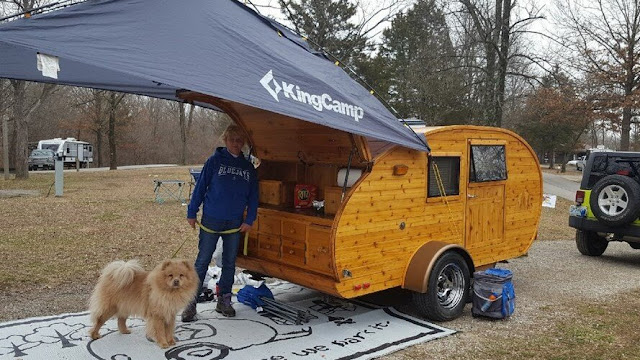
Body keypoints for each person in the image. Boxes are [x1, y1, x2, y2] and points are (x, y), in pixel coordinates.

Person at [182, 124, 258, 321]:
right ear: (225, 140)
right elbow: (200, 188)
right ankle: (191, 303)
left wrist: (249, 219)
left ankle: (224, 300)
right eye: (232, 139)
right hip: (211, 220)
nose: (236, 143)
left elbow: (253, 197)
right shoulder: (214, 161)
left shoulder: (248, 167)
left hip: (234, 222)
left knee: (229, 263)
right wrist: (192, 212)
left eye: (240, 141)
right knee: (202, 261)